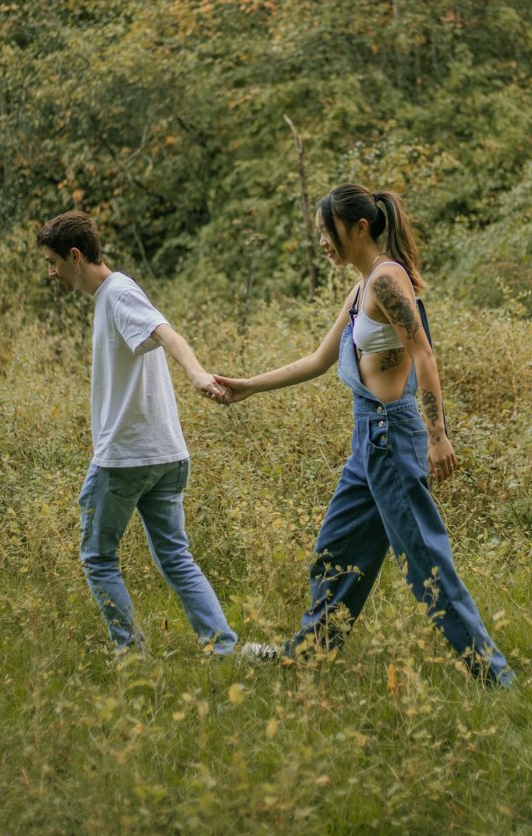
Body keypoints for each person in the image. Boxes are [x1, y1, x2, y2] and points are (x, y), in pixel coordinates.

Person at [214, 184, 514, 686]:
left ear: (357, 228)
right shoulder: (362, 289)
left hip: (391, 439)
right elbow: (317, 360)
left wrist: (438, 435)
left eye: (326, 233)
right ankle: (307, 657)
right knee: (336, 551)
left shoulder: (387, 281)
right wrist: (248, 387)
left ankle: (494, 678)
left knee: (427, 566)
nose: (323, 244)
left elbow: (424, 355)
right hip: (367, 441)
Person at [37, 210, 237, 658]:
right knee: (176, 558)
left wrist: (198, 374)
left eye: (53, 262)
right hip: (166, 455)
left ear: (75, 255)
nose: (51, 273)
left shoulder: (118, 292)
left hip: (127, 458)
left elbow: (167, 333)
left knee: (97, 558)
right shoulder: (113, 296)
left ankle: (132, 656)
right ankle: (223, 650)